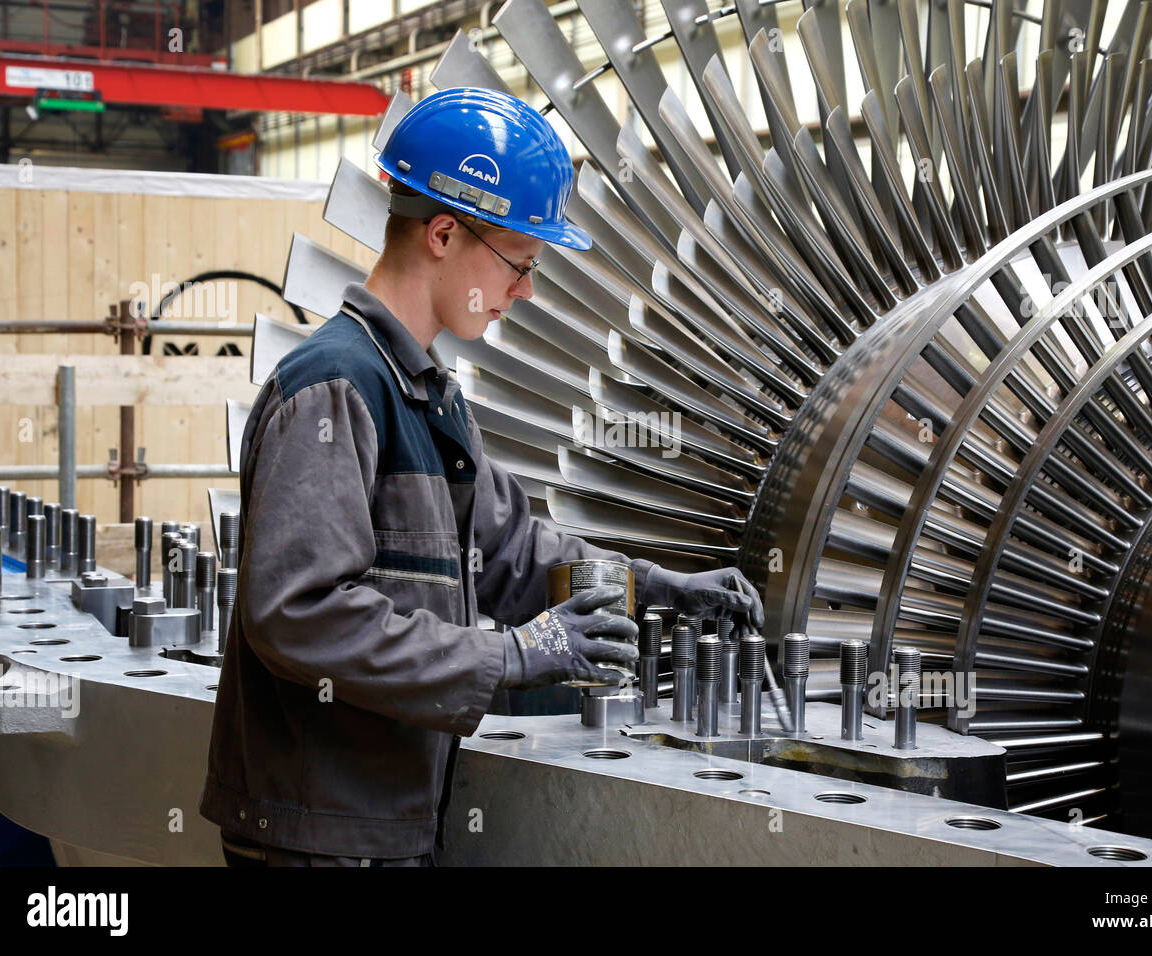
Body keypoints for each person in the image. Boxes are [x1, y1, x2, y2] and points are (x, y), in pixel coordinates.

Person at [199, 87, 764, 867]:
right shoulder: (337, 388)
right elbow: (299, 613)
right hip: (317, 838)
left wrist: (663, 589)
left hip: (383, 826)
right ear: (442, 234)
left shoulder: (427, 398)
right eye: (519, 263)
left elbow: (518, 554)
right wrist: (512, 656)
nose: (524, 290)